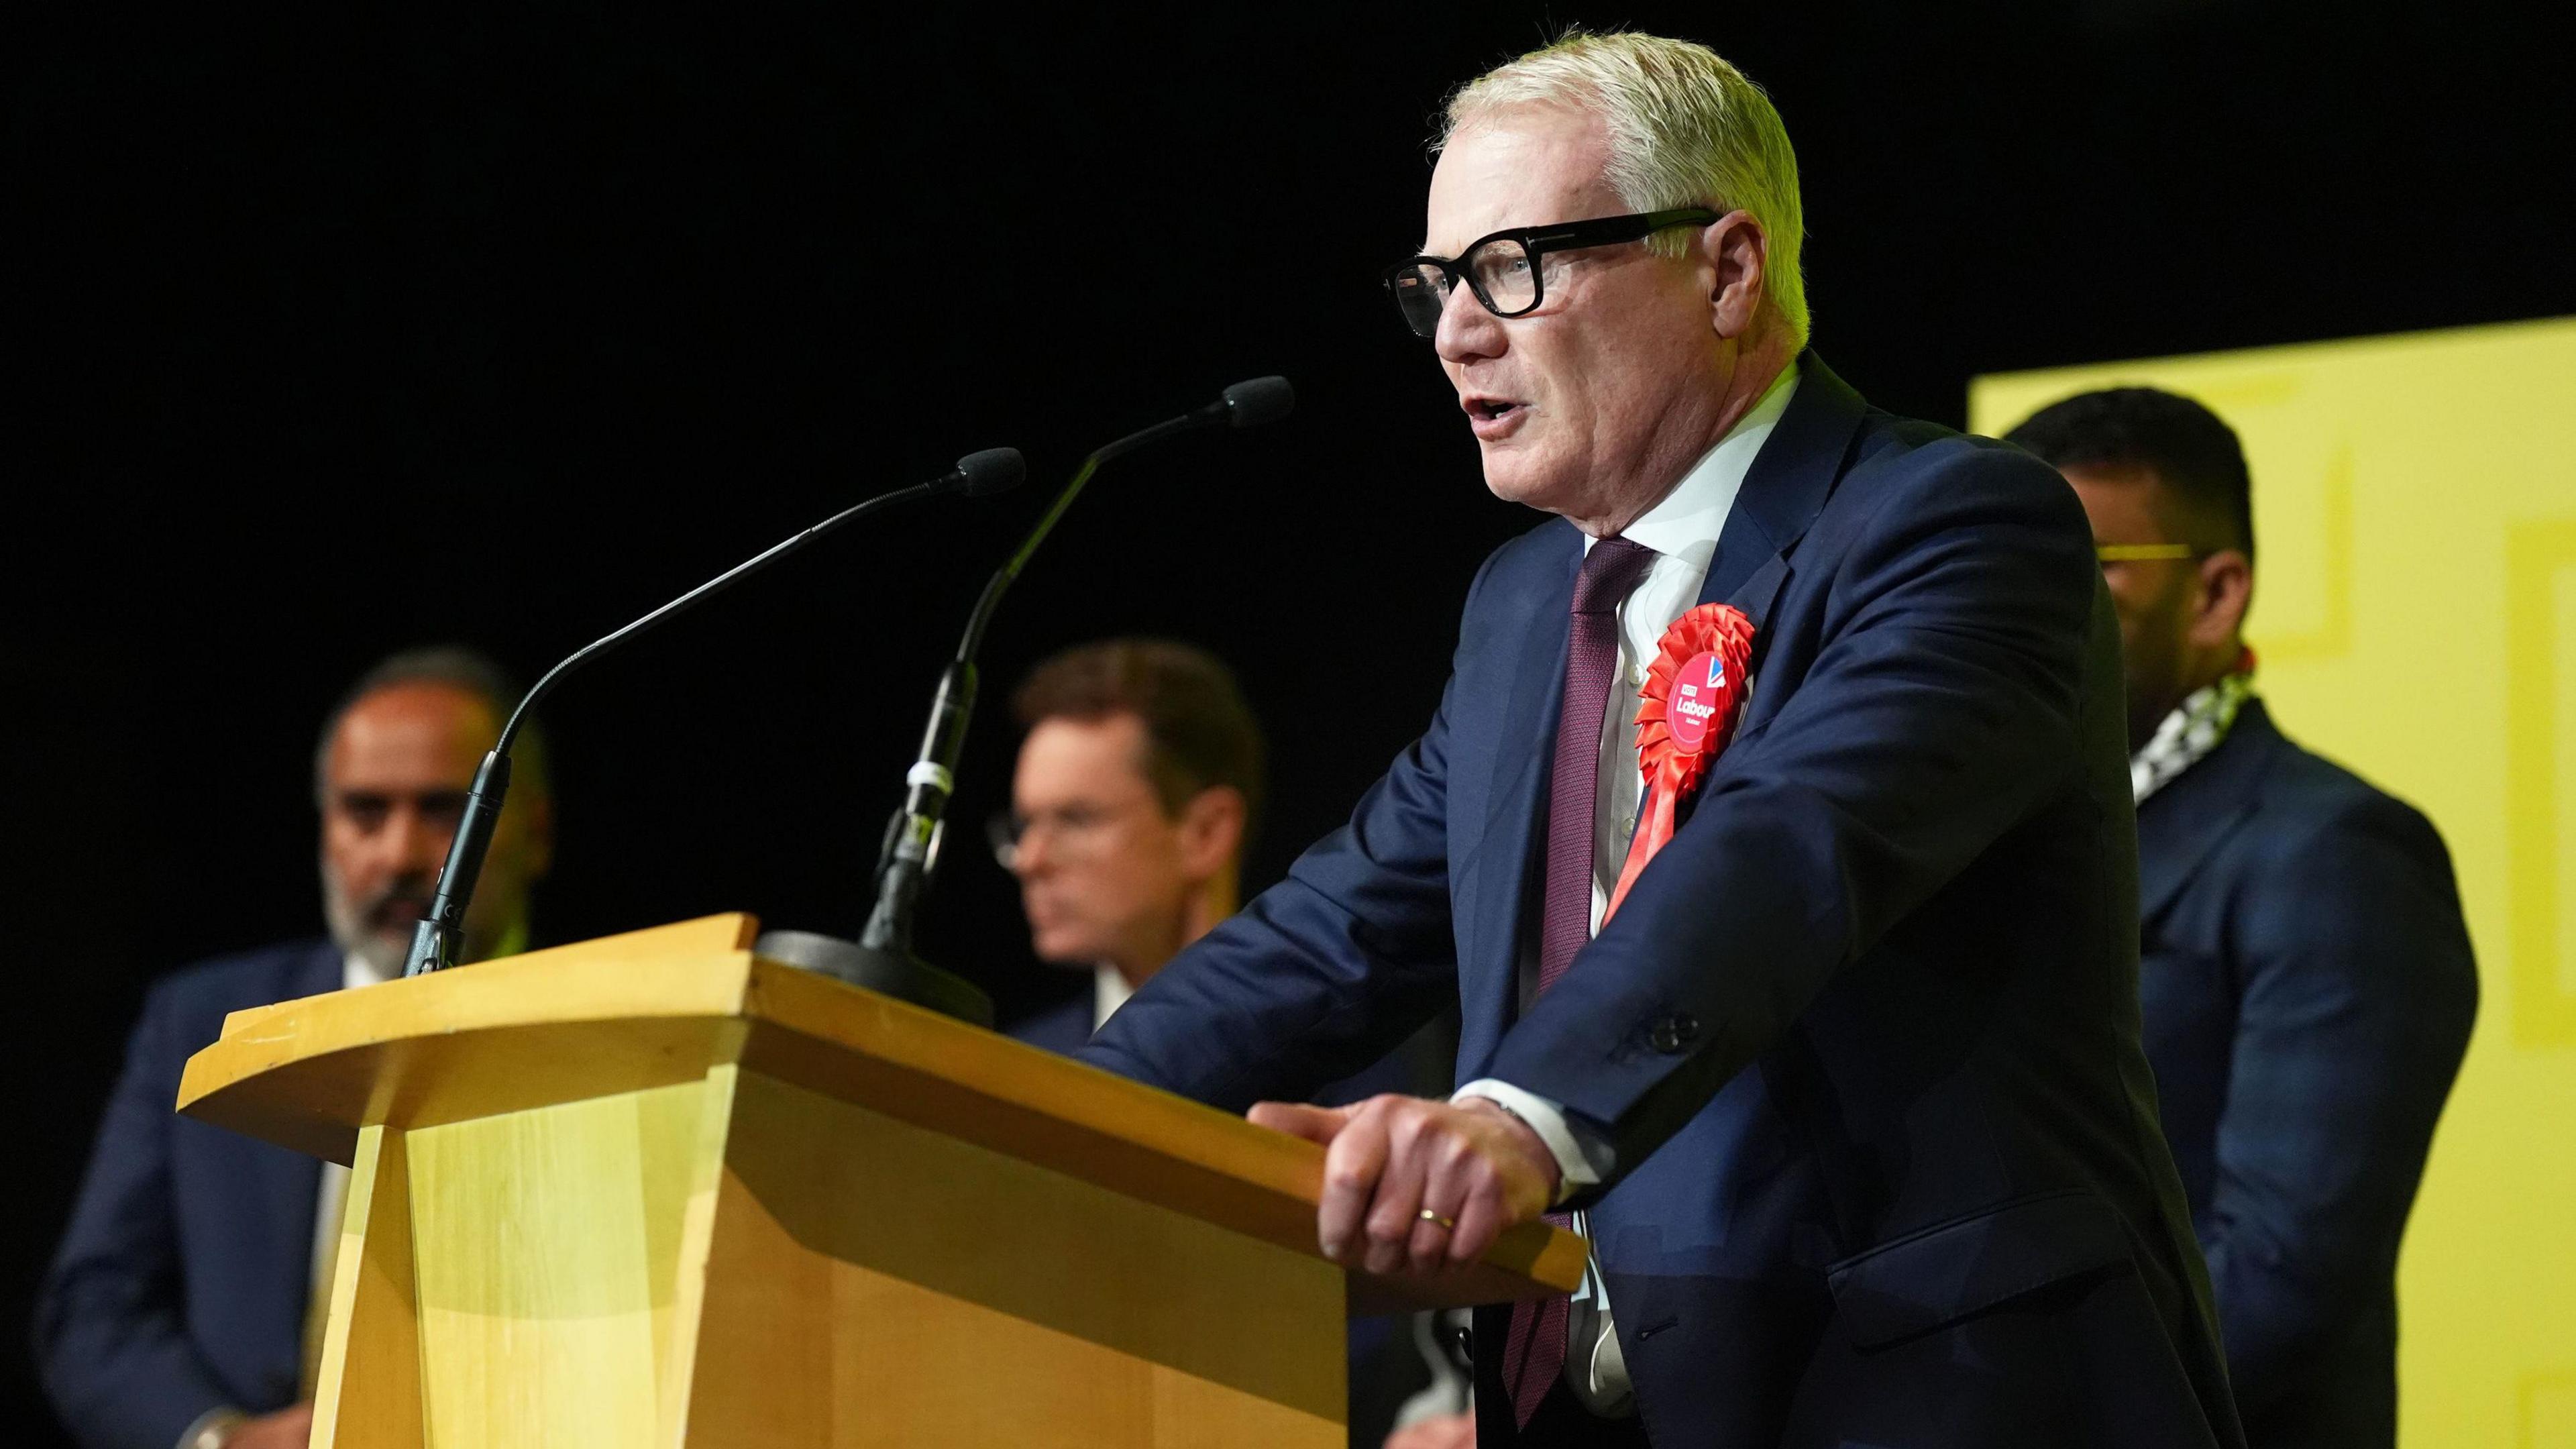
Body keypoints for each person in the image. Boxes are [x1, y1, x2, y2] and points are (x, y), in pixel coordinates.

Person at [1080, 31, 2242, 1448]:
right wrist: (1008, 1121)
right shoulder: (1525, 606)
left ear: (1728, 268)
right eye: (1440, 284)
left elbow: (1789, 850)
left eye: (1516, 266)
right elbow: (1334, 928)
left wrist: (1516, 1118)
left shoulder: (1957, 528)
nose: (1456, 331)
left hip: (1924, 1395)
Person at [2005, 387, 2477, 1448]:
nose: (2021, 612)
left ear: (2215, 596)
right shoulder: (1990, 830)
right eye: (2003, 571)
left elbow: (2278, 1283)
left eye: (2082, 571)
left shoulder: (2335, 854)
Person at [38, 647, 553, 1449]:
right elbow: (94, 1308)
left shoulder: (627, 1038)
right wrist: (224, 1439)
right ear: (324, 830)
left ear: (536, 830)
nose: (401, 855)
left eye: (446, 810)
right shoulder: (200, 1023)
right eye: (366, 811)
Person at [995, 637, 1468, 1446]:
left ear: (1206, 831)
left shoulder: (1397, 1060)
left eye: (1075, 819)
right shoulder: (1019, 1071)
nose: (1032, 859)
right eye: (1023, 825)